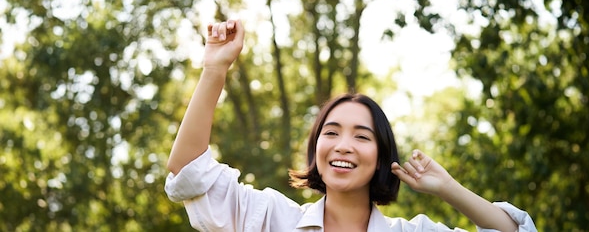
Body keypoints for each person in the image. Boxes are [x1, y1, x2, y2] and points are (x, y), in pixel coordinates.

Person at [165, 19, 537, 232]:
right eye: (331, 132)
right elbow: (189, 172)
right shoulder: (270, 218)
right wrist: (215, 69)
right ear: (317, 151)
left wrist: (449, 189)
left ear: (380, 157)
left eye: (361, 136)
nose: (343, 144)